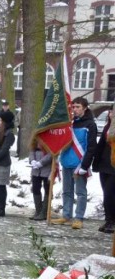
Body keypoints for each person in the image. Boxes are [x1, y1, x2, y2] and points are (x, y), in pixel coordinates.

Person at [51, 97, 97, 229]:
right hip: (66, 162)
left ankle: (79, 218)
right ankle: (66, 215)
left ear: (85, 108)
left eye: (78, 107)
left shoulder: (90, 125)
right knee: (66, 191)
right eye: (73, 107)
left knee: (80, 192)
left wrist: (84, 166)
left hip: (79, 164)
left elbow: (91, 147)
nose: (75, 109)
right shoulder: (69, 124)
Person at [92, 105, 115, 233]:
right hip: (104, 164)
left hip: (114, 165)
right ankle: (108, 219)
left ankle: (112, 221)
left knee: (109, 193)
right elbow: (100, 145)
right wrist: (95, 161)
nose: (111, 114)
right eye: (111, 111)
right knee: (106, 193)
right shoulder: (107, 126)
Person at [28, 139, 52, 221]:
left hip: (47, 169)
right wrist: (32, 161)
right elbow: (31, 151)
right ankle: (38, 210)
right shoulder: (35, 139)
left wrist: (41, 163)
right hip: (35, 170)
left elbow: (51, 153)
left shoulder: (50, 138)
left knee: (47, 189)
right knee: (35, 188)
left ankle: (44, 212)